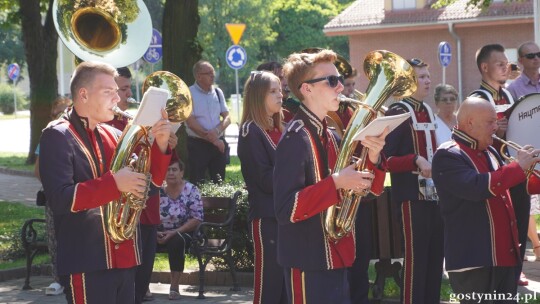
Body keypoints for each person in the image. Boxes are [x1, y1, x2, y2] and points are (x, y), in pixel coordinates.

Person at [39, 61, 172, 304]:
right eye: (108, 92)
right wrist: (114, 184)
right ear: (84, 94)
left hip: (125, 258)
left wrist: (161, 145)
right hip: (87, 260)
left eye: (117, 91)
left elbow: (147, 189)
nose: (117, 98)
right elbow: (60, 199)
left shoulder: (114, 134)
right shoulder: (57, 135)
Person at [273, 49, 388, 303]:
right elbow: (285, 209)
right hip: (307, 259)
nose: (340, 88)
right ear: (307, 89)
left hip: (335, 256)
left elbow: (368, 190)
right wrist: (336, 183)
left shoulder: (331, 135)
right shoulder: (294, 138)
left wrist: (374, 156)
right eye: (332, 81)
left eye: (339, 80)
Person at [432, 97, 540, 300]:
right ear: (470, 122)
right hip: (474, 260)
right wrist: (517, 167)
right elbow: (477, 187)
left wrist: (526, 173)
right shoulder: (448, 155)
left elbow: (511, 189)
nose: (496, 127)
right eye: (490, 122)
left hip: (504, 257)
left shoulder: (490, 151)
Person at [382, 58, 444, 304]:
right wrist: (415, 160)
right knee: (416, 259)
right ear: (407, 82)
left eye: (428, 75)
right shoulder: (398, 111)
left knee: (435, 257)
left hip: (434, 196)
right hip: (410, 198)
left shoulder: (426, 109)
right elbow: (385, 159)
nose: (428, 81)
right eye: (421, 77)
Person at [468, 43, 531, 286]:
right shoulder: (477, 98)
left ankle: (517, 270)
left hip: (515, 166)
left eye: (506, 63)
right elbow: (473, 134)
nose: (507, 68)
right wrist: (495, 129)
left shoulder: (506, 94)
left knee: (521, 219)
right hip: (495, 171)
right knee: (503, 225)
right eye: (500, 64)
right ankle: (503, 273)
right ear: (485, 67)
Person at [238, 70, 287, 303]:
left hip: (287, 215)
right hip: (266, 218)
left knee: (287, 286)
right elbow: (264, 179)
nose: (281, 96)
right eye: (273, 91)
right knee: (270, 284)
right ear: (258, 95)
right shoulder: (250, 131)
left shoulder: (280, 129)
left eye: (281, 90)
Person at [34, 96, 71, 296]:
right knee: (54, 236)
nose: (63, 115)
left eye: (67, 110)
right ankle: (58, 279)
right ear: (52, 115)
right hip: (55, 196)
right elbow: (38, 170)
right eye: (59, 112)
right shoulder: (48, 136)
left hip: (76, 195)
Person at [507, 41, 540, 263]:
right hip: (527, 150)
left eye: (538, 54)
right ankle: (537, 245)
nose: (536, 58)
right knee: (529, 197)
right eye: (530, 56)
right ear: (520, 60)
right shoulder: (513, 89)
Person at [157, 158, 203, 300]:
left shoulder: (191, 190)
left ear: (182, 173)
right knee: (144, 239)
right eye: (168, 169)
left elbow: (197, 218)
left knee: (176, 241)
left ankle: (174, 286)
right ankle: (143, 286)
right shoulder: (158, 191)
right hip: (160, 232)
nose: (171, 172)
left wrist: (174, 232)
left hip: (186, 233)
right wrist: (154, 232)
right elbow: (147, 215)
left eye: (174, 169)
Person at [186, 60, 231, 185]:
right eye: (209, 73)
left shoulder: (218, 92)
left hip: (218, 145)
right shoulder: (188, 93)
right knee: (197, 182)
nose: (213, 75)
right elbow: (191, 122)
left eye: (213, 72)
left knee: (219, 181)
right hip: (198, 145)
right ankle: (197, 205)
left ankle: (219, 204)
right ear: (198, 76)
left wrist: (217, 132)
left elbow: (227, 117)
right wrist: (214, 139)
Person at [105, 67, 132, 131]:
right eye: (124, 89)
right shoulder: (98, 124)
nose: (130, 94)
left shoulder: (127, 119)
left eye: (130, 88)